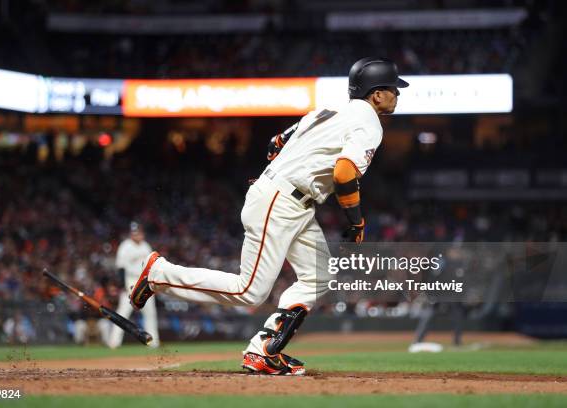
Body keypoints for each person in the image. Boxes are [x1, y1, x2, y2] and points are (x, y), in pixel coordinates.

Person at [130, 57, 408, 374]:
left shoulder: (329, 111)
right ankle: (159, 274)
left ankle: (263, 350)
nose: (396, 95)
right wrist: (356, 221)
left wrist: (280, 174)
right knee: (249, 290)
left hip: (290, 200)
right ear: (376, 94)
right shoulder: (369, 122)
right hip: (282, 201)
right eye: (393, 90)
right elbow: (345, 172)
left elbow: (276, 144)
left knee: (319, 276)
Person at [107, 222, 160, 348]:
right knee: (123, 312)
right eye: (135, 232)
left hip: (145, 281)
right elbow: (121, 267)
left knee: (150, 313)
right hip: (130, 281)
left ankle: (154, 342)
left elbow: (151, 267)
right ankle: (114, 342)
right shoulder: (125, 246)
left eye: (139, 232)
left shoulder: (146, 246)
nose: (137, 235)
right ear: (131, 234)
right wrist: (122, 285)